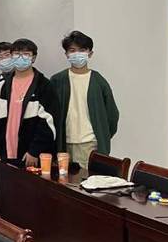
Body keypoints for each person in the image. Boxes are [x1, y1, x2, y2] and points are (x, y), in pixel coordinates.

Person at [51, 31, 119, 175]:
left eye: (82, 50)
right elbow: (50, 113)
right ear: (66, 54)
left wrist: (102, 135)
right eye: (72, 50)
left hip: (90, 143)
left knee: (90, 181)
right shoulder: (58, 80)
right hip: (63, 143)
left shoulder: (98, 81)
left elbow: (112, 115)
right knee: (64, 182)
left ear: (90, 53)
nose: (77, 54)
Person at [0, 39, 59, 169]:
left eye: (26, 54)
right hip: (4, 154)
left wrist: (35, 150)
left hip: (31, 155)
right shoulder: (0, 87)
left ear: (33, 58)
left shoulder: (44, 85)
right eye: (16, 54)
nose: (21, 58)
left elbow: (49, 121)